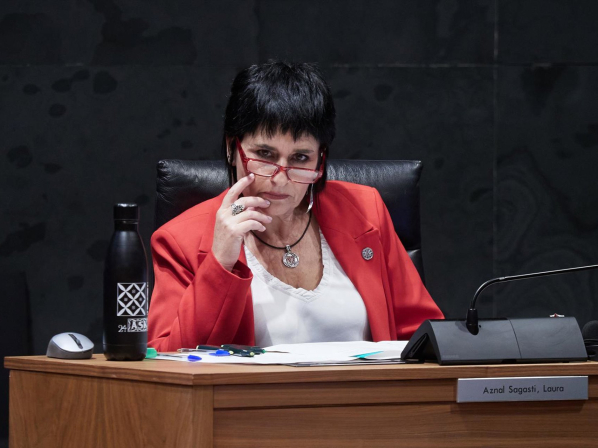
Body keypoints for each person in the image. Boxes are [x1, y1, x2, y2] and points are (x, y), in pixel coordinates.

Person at [148, 61, 443, 351]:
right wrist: (220, 265)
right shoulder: (180, 240)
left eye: (300, 158)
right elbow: (168, 359)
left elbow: (424, 338)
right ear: (231, 147)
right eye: (265, 154)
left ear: (321, 158)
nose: (281, 179)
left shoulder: (365, 210)